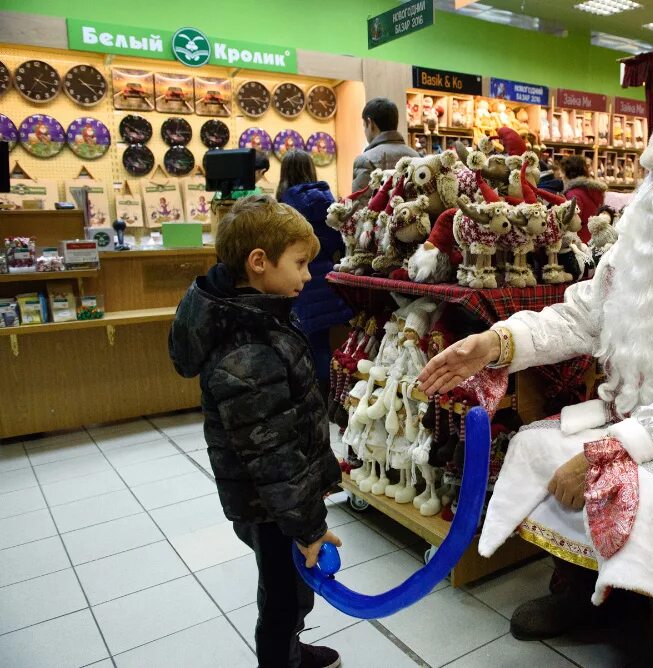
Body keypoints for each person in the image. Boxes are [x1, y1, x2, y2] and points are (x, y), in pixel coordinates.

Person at [418, 94, 653, 667]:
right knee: (535, 444)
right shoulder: (637, 246)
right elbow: (579, 316)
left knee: (639, 495)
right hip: (627, 416)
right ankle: (579, 594)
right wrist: (497, 343)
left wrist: (613, 451)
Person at [168, 195, 344, 668]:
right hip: (269, 504)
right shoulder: (249, 348)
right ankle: (280, 658)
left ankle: (289, 649)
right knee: (284, 597)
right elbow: (273, 456)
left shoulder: (258, 315)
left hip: (274, 500)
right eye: (301, 264)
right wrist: (307, 527)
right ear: (259, 263)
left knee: (288, 588)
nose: (309, 276)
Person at [277, 150, 353, 394]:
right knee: (327, 344)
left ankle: (317, 397)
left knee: (311, 345)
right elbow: (339, 242)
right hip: (329, 281)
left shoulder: (285, 206)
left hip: (301, 281)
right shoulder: (328, 201)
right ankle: (335, 394)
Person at [351, 97, 419, 193]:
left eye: (364, 126)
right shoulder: (416, 156)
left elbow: (360, 204)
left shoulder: (365, 160)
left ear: (370, 124)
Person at [562, 155, 607, 243]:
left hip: (578, 244)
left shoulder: (573, 194)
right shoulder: (593, 191)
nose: (562, 175)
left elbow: (573, 224)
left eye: (563, 172)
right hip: (592, 240)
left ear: (568, 173)